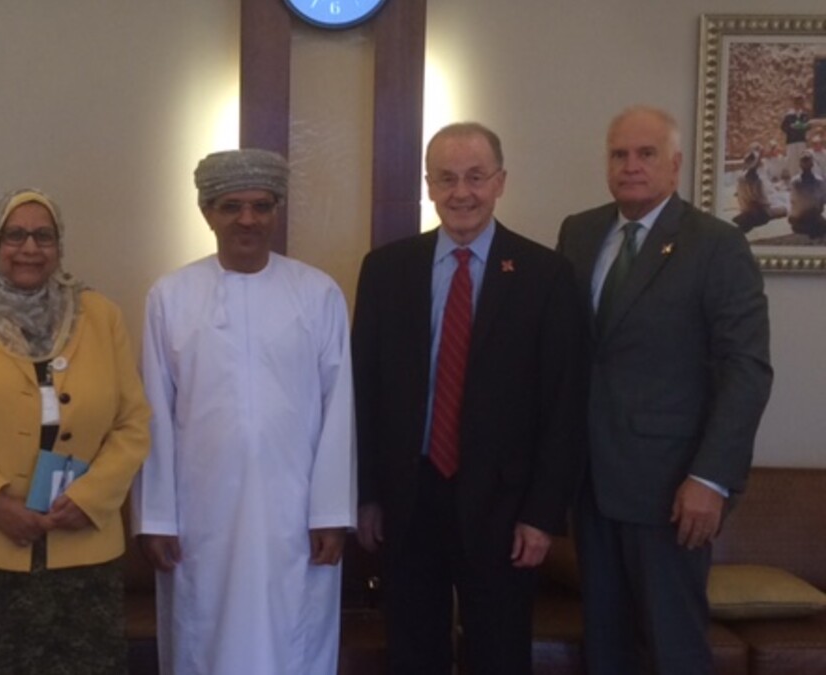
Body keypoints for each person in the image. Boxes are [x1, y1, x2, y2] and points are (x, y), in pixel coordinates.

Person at [352, 123, 587, 674]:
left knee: (499, 651)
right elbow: (363, 391)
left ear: (500, 181)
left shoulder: (545, 276)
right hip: (409, 497)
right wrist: (365, 494)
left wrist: (542, 515)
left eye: (476, 177)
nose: (462, 193)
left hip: (505, 506)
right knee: (412, 649)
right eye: (447, 179)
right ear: (428, 187)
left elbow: (564, 406)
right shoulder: (386, 270)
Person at [557, 106, 773, 675]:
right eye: (619, 154)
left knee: (672, 650)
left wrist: (711, 478)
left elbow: (746, 368)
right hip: (592, 483)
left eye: (646, 154)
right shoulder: (579, 232)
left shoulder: (716, 245)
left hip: (673, 492)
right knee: (605, 649)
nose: (631, 166)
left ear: (675, 165)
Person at [0, 188, 150, 674]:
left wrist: (91, 497)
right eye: (14, 235)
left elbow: (133, 423)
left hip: (82, 546)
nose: (30, 248)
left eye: (44, 236)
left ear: (60, 246)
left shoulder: (100, 317)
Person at [131, 149, 355, 675]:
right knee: (202, 634)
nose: (248, 219)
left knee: (295, 638)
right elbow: (154, 414)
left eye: (261, 205)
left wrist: (330, 513)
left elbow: (338, 409)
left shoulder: (317, 293)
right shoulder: (170, 296)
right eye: (231, 206)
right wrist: (156, 517)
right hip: (201, 516)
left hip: (294, 518)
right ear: (207, 212)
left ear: (278, 211)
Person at [732, 147, 786, 233]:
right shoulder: (757, 181)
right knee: (785, 207)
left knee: (779, 198)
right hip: (761, 212)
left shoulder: (740, 178)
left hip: (744, 208)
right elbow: (764, 202)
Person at [788, 151, 826, 239]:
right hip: (815, 216)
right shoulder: (819, 181)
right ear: (812, 165)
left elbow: (792, 200)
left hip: (798, 217)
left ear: (800, 166)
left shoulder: (794, 182)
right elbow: (823, 201)